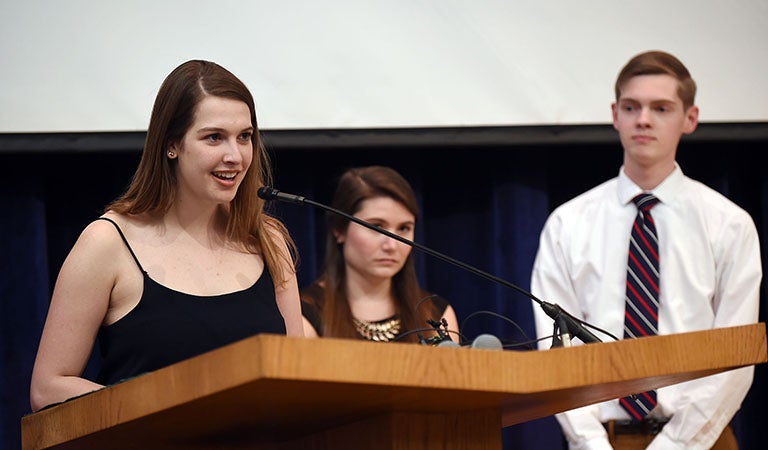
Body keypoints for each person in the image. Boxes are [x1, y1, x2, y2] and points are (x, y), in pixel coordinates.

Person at [30, 60, 304, 412]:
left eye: (245, 137)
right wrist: (162, 402)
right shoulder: (107, 243)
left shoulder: (266, 240)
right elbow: (49, 387)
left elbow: (297, 373)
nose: (235, 156)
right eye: (214, 137)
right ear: (172, 144)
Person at [530, 51, 761, 450]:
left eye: (661, 108)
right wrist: (591, 443)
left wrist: (675, 445)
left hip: (701, 439)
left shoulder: (729, 223)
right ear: (615, 115)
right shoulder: (568, 224)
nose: (644, 119)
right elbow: (554, 352)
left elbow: (736, 355)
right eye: (631, 107)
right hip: (602, 439)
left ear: (690, 118)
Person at [300, 166, 459, 343]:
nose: (392, 245)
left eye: (404, 228)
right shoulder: (304, 314)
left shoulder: (436, 315)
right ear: (339, 229)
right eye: (376, 227)